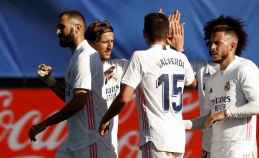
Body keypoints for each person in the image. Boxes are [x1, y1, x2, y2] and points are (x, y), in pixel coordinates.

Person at [99, 12, 195, 158]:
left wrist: (106, 118)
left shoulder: (140, 57)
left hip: (156, 138)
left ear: (145, 34)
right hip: (178, 140)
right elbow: (193, 82)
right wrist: (179, 50)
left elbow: (124, 98)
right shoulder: (181, 57)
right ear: (167, 34)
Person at [28, 10, 109, 158]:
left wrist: (45, 123)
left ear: (77, 28)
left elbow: (80, 101)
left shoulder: (84, 56)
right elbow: (71, 97)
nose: (57, 31)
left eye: (62, 26)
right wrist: (49, 80)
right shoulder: (77, 56)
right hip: (76, 140)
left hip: (90, 141)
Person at [184, 16, 259, 158]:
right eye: (210, 43)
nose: (212, 48)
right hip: (216, 150)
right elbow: (210, 118)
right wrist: (182, 124)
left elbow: (258, 106)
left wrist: (226, 113)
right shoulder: (212, 79)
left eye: (217, 43)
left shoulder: (244, 68)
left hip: (240, 150)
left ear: (233, 45)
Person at [84, 20, 129, 157]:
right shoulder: (82, 70)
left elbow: (150, 65)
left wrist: (161, 35)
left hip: (111, 148)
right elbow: (70, 99)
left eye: (112, 41)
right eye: (105, 42)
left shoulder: (120, 66)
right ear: (91, 45)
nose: (110, 46)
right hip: (90, 147)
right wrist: (50, 81)